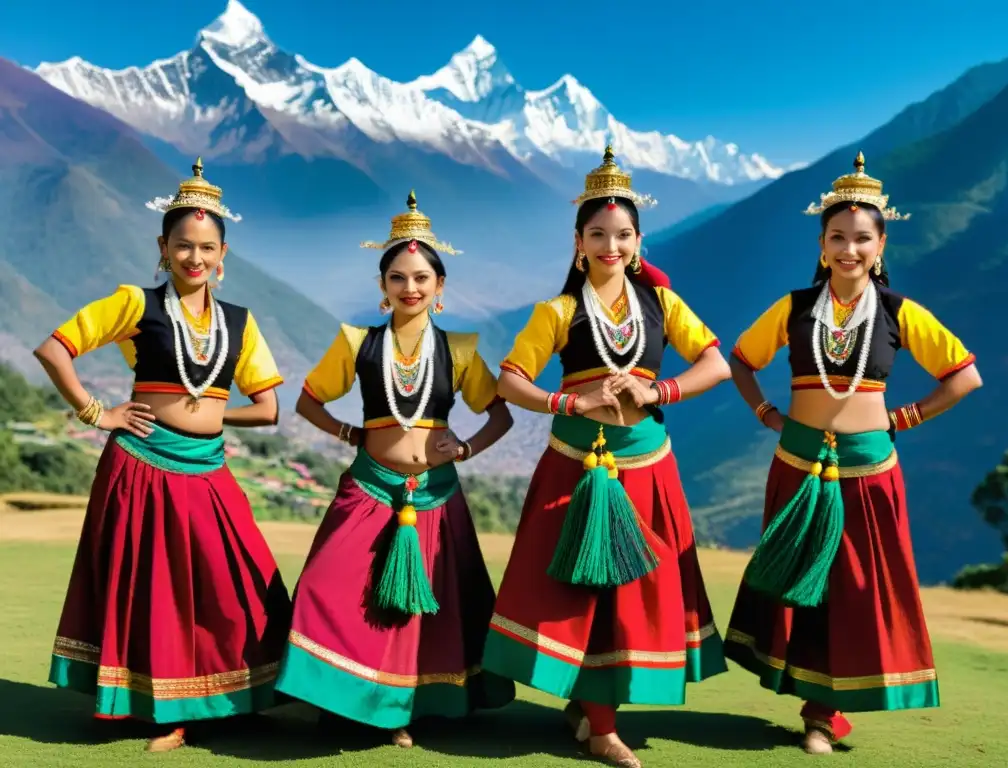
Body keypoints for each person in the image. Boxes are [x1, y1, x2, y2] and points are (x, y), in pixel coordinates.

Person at [722, 152, 983, 755]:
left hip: (869, 471)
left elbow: (963, 376)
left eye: (861, 238)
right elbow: (741, 359)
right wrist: (766, 412)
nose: (849, 250)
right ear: (821, 244)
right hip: (798, 465)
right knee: (803, 590)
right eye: (837, 237)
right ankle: (810, 704)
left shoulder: (898, 312)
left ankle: (824, 714)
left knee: (855, 592)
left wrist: (905, 417)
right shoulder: (792, 308)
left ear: (880, 242)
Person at [480, 146, 733, 768]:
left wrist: (657, 390)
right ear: (578, 240)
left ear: (638, 240)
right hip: (575, 466)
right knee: (579, 593)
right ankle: (599, 725)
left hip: (647, 466)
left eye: (622, 234)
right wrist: (571, 401)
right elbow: (510, 380)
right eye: (598, 234)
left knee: (632, 595)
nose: (610, 245)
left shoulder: (663, 305)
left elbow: (716, 363)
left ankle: (595, 713)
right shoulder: (558, 310)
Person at [34, 158, 293, 753]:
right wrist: (98, 412)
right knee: (157, 588)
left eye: (206, 247)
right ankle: (164, 709)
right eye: (183, 246)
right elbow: (54, 350)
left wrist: (204, 414)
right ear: (163, 246)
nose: (194, 258)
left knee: (239, 581)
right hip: (142, 466)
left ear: (223, 254)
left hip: (207, 467)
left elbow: (269, 407)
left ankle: (239, 694)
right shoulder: (134, 303)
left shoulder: (239, 323)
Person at [273, 191, 517, 749]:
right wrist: (350, 434)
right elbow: (309, 400)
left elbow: (498, 414)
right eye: (398, 278)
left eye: (422, 278)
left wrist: (468, 450)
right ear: (382, 287)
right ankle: (341, 697)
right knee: (325, 588)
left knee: (421, 611)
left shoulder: (458, 351)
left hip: (434, 494)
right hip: (369, 487)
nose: (410, 288)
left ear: (440, 288)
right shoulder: (357, 343)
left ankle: (404, 708)